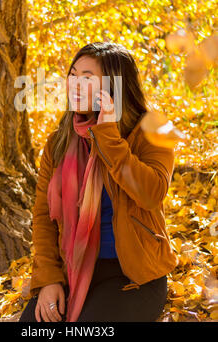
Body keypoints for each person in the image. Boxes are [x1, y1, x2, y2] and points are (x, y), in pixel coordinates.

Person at [19, 42, 178, 323]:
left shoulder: (153, 130)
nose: (75, 84)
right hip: (74, 269)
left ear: (114, 85)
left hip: (134, 276)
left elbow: (151, 194)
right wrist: (48, 280)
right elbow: (44, 216)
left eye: (88, 77)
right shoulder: (60, 141)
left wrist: (108, 135)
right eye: (73, 74)